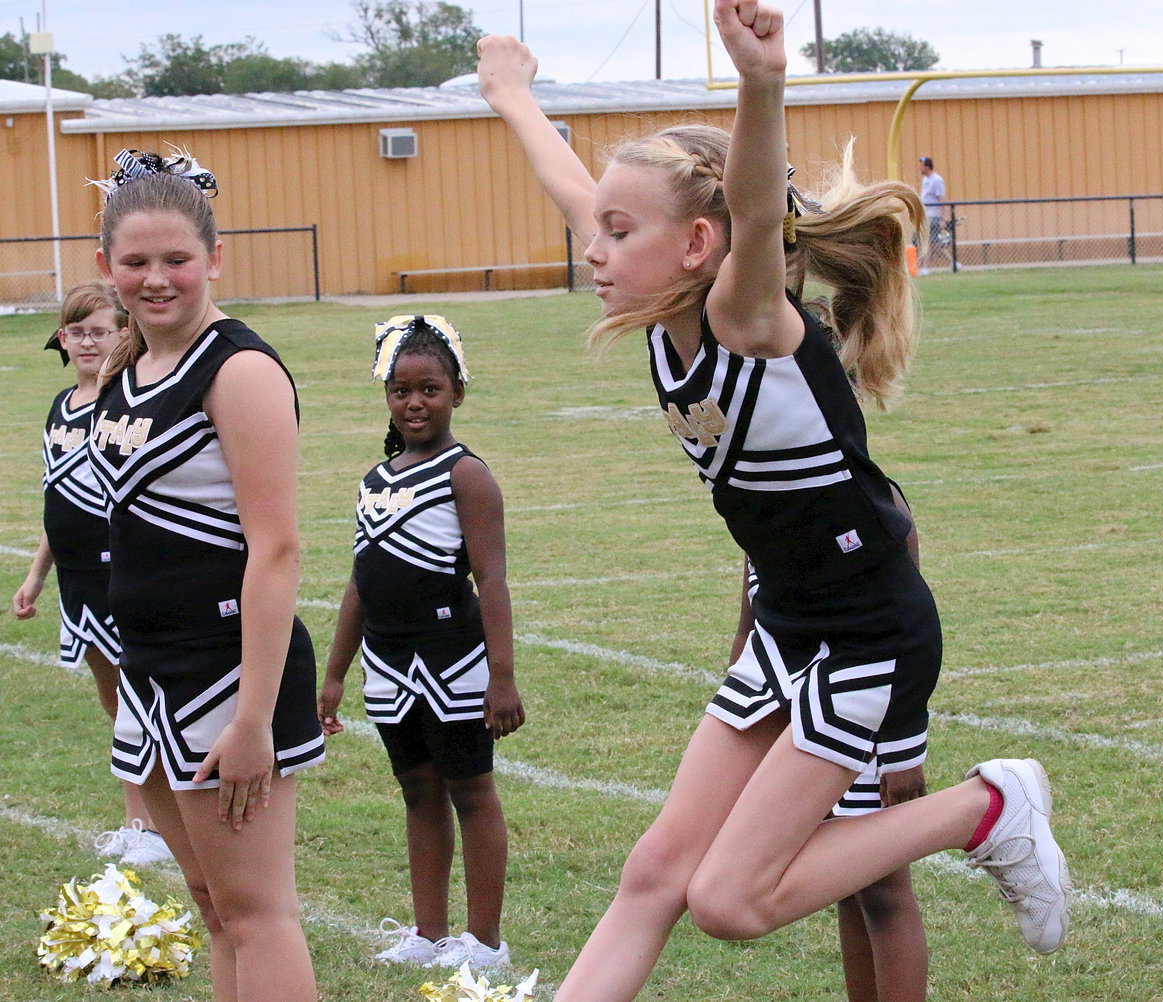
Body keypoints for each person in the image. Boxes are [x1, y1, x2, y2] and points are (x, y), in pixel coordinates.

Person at [476, 3, 1070, 1000]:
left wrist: (761, 83)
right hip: (789, 629)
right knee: (654, 876)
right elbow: (572, 185)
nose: (593, 244)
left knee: (730, 902)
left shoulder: (744, 318)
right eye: (598, 229)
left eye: (619, 232)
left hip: (865, 635)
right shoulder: (662, 303)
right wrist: (510, 94)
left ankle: (987, 804)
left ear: (699, 243)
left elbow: (756, 211)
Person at [88, 148, 325, 1002]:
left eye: (177, 260)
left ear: (215, 260)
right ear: (105, 263)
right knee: (214, 907)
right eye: (137, 262)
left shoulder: (240, 371)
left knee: (258, 912)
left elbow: (278, 549)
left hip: (224, 676)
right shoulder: (127, 365)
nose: (157, 280)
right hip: (151, 671)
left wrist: (255, 718)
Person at [319, 314, 525, 972]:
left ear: (457, 393)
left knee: (471, 790)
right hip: (388, 663)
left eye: (430, 389)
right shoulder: (376, 481)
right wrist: (334, 675)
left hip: (452, 660)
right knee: (417, 793)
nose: (415, 403)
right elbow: (360, 582)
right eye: (401, 390)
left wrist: (501, 676)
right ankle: (428, 933)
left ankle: (486, 943)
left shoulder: (466, 475)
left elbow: (491, 578)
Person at [729, 480, 929, 1002]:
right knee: (843, 885)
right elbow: (752, 622)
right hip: (796, 724)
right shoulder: (754, 497)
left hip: (858, 718)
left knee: (884, 889)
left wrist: (901, 748)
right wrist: (744, 727)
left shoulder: (869, 497)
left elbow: (908, 622)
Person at [11, 281, 172, 867]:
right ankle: (144, 818)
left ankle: (152, 823)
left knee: (141, 698)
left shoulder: (124, 403)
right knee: (114, 701)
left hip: (124, 578)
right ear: (61, 337)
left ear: (125, 334)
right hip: (77, 584)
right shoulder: (60, 407)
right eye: (75, 331)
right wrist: (36, 577)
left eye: (99, 330)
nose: (85, 341)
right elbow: (61, 502)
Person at [917, 156, 949, 272]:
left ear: (927, 167)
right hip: (926, 215)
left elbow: (941, 198)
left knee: (930, 242)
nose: (920, 168)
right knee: (933, 243)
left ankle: (925, 267)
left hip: (934, 215)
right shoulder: (926, 180)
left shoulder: (937, 180)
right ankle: (952, 262)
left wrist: (943, 218)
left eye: (922, 166)